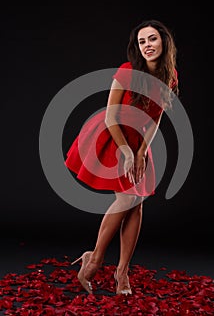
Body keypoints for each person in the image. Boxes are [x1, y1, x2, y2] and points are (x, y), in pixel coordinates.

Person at [64, 19, 179, 295]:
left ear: (164, 42)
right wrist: (127, 151)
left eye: (152, 39)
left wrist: (141, 152)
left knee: (137, 204)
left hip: (138, 141)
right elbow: (110, 116)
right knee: (127, 198)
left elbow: (155, 119)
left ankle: (122, 271)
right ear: (136, 48)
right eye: (142, 42)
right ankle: (95, 259)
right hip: (113, 136)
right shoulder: (127, 72)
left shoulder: (170, 75)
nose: (147, 46)